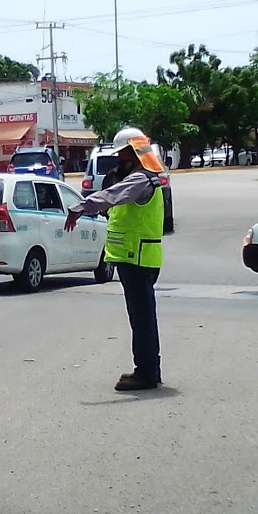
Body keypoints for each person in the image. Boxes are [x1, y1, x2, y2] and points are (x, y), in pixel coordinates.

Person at [64, 127, 166, 391]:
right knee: (142, 318)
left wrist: (82, 206)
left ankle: (146, 374)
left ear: (133, 154)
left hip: (137, 259)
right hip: (138, 257)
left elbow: (112, 195)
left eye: (121, 155)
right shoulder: (147, 177)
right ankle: (147, 369)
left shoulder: (141, 180)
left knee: (142, 320)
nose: (118, 161)